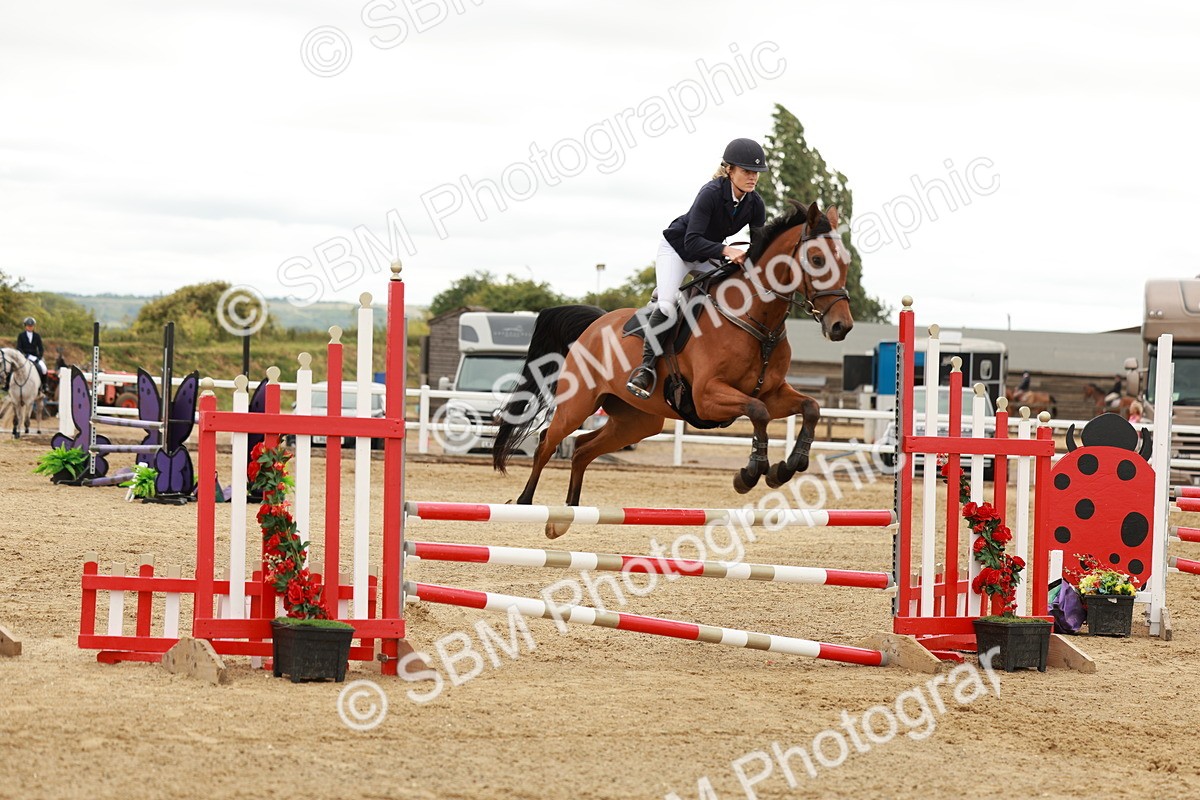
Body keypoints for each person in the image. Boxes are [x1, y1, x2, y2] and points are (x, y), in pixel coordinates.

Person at [626, 138, 768, 399]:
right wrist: (728, 251)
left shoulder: (755, 203)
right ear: (730, 170)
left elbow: (759, 245)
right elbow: (692, 240)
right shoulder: (711, 193)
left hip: (707, 254)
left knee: (723, 298)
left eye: (756, 173)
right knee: (668, 307)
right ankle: (645, 368)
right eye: (747, 171)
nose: (753, 178)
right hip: (678, 249)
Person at [6, 316, 46, 392]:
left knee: (44, 369)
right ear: (25, 326)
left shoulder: (37, 336)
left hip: (34, 357)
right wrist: (24, 355)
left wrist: (39, 357)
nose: (30, 327)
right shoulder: (21, 336)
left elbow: (41, 348)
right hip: (23, 357)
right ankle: (7, 385)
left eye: (31, 326)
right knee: (11, 368)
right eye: (28, 326)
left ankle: (43, 386)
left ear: (34, 326)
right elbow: (19, 347)